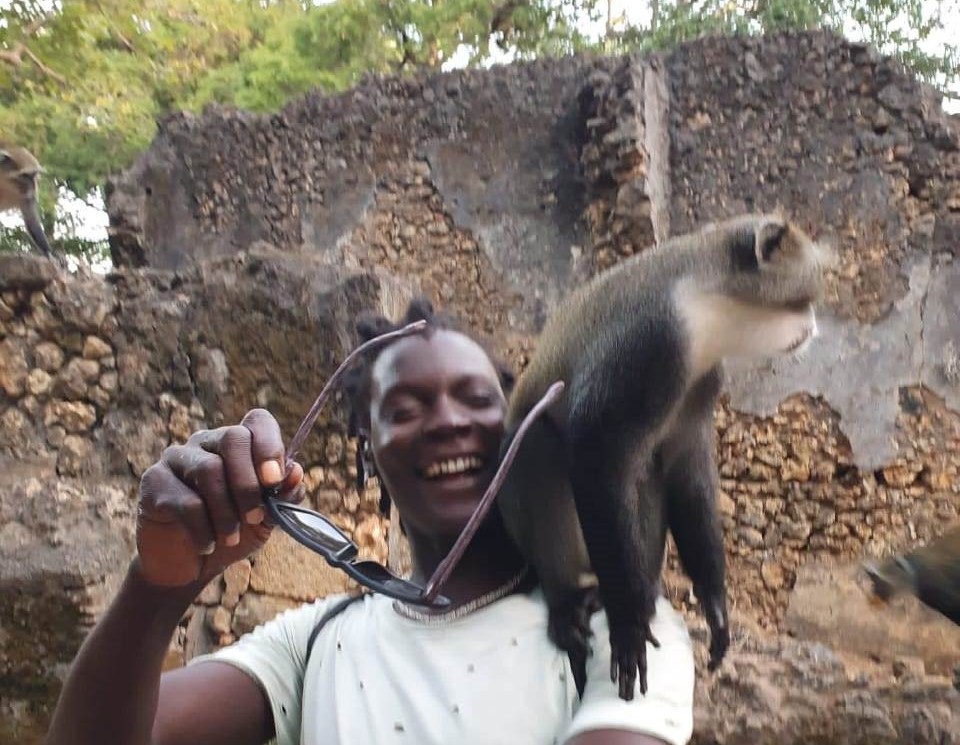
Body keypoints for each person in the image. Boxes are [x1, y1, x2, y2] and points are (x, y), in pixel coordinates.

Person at [47, 298, 695, 745]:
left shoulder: (616, 627)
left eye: (476, 398)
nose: (447, 420)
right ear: (367, 452)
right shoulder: (317, 643)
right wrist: (157, 585)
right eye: (406, 408)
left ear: (520, 427)